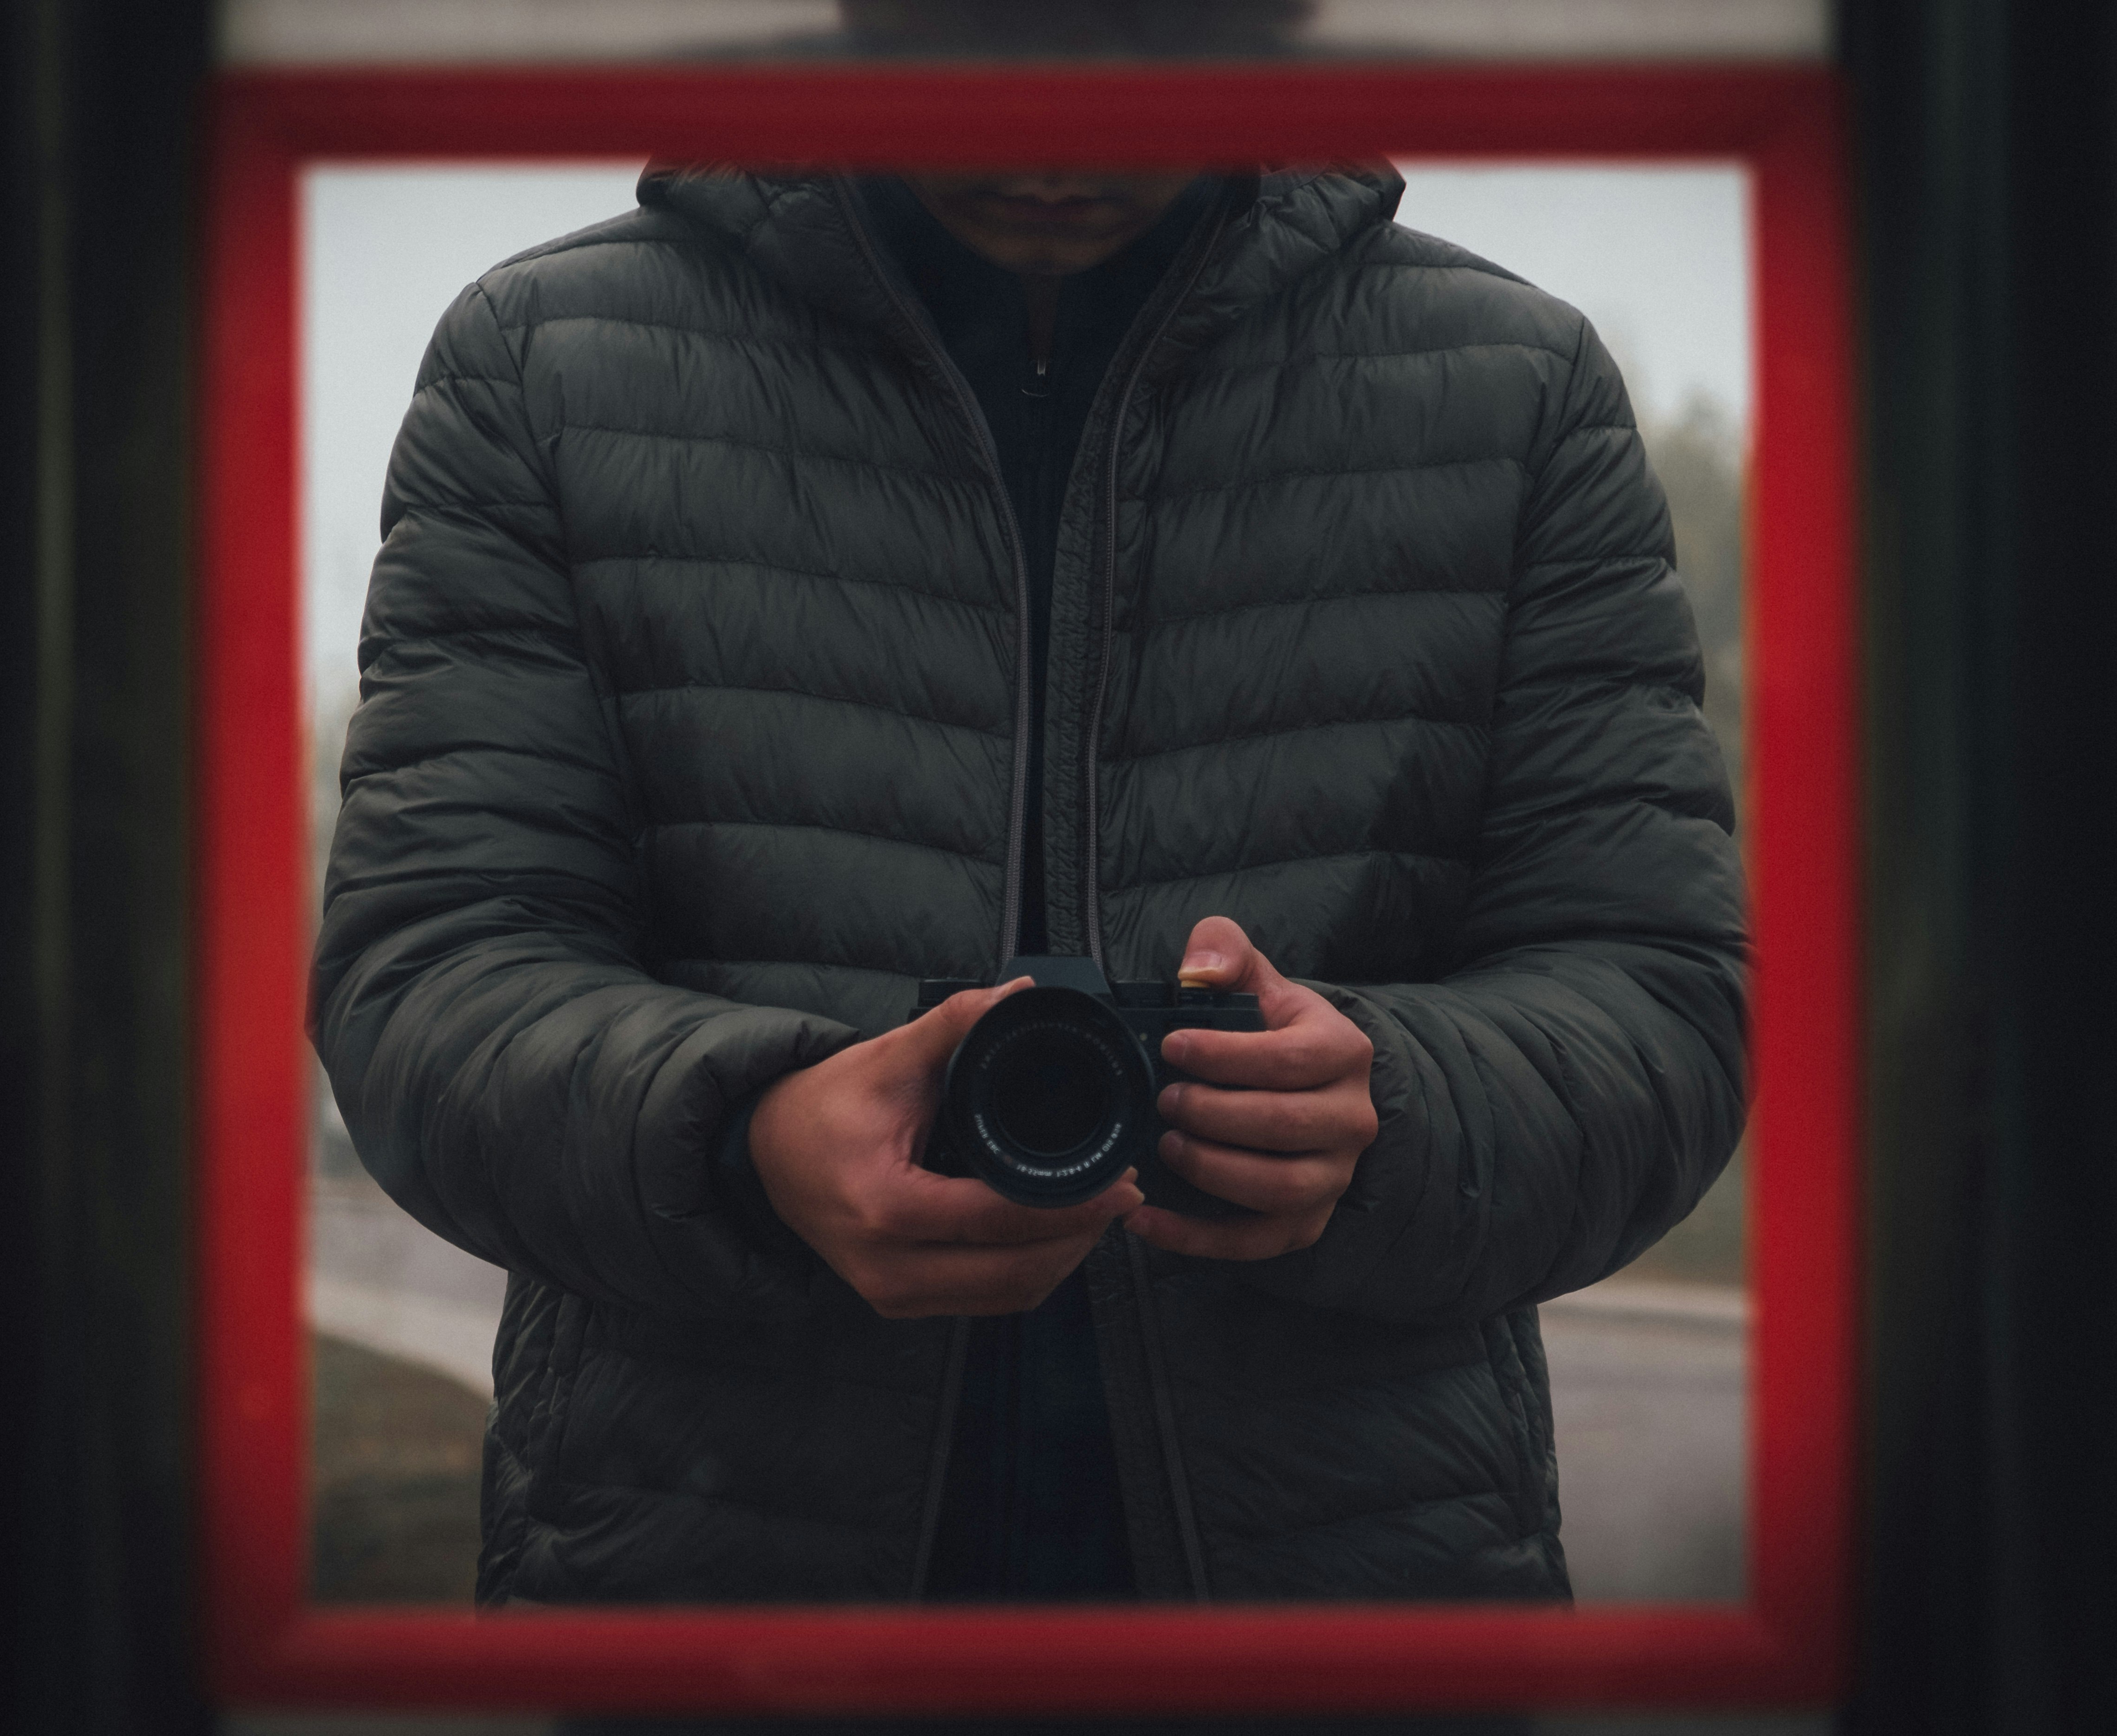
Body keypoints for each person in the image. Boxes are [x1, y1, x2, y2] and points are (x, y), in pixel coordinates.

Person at [313, 8, 1747, 1607]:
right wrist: (739, 1138)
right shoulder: (536, 367)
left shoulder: (1522, 394)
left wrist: (1391, 1115)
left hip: (1352, 1601)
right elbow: (425, 979)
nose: (1055, 147)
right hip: (707, 1593)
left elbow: (1661, 1003)